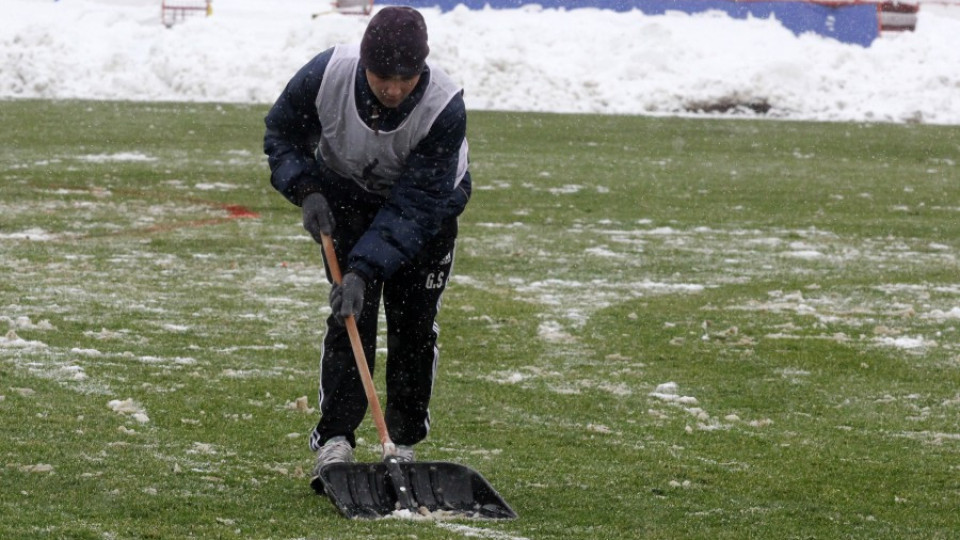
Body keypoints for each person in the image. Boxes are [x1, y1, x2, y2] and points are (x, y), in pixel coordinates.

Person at [263, 6, 471, 478]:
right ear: (362, 64)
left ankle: (402, 441)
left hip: (427, 210)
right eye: (382, 77)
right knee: (349, 316)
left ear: (423, 68)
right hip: (346, 197)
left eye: (406, 78)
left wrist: (364, 269)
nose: (394, 89)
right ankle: (335, 439)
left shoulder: (443, 106)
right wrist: (306, 189)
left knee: (414, 326)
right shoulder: (325, 75)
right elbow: (282, 134)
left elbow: (415, 206)